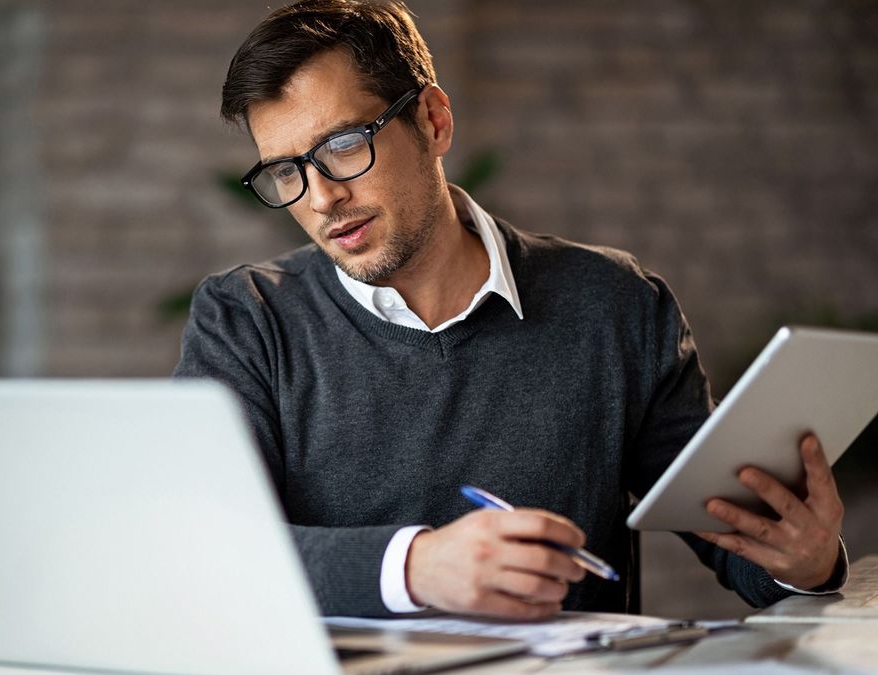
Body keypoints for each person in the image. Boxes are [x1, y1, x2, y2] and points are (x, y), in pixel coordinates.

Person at [174, 0, 847, 619]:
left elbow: (738, 544)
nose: (320, 199)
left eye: (344, 145)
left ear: (434, 121)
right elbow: (201, 547)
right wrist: (415, 567)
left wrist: (804, 561)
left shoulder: (616, 305)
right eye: (286, 171)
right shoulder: (246, 318)